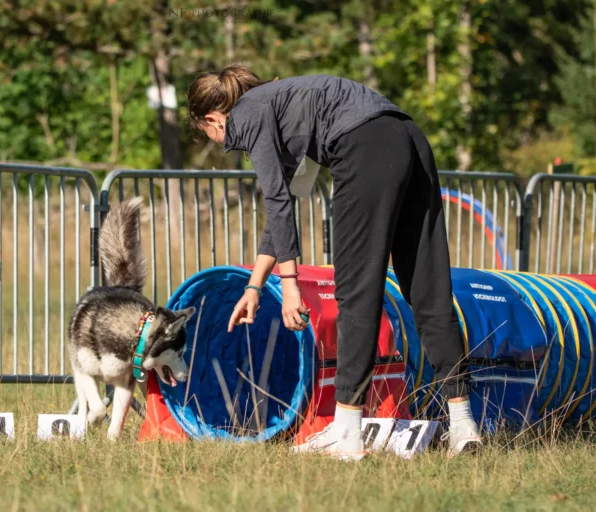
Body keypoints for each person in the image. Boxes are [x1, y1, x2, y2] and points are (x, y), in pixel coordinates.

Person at [186, 66, 482, 460]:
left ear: (213, 119)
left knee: (356, 292)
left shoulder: (248, 112)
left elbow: (276, 200)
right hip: (408, 136)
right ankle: (463, 425)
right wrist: (255, 286)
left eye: (214, 136)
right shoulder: (282, 102)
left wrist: (289, 288)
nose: (229, 143)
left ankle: (346, 430)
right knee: (427, 286)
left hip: (363, 149)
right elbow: (286, 206)